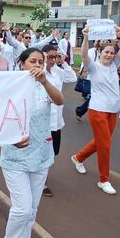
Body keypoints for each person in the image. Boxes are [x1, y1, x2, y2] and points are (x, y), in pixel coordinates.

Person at [0, 47, 65, 238]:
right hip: (15, 156)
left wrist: (44, 81)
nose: (37, 65)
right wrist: (11, 139)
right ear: (21, 63)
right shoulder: (9, 86)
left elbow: (60, 101)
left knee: (32, 210)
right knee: (21, 209)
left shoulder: (46, 84)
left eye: (40, 62)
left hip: (41, 154)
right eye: (32, 61)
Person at [71, 25, 120, 195]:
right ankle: (104, 180)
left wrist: (119, 36)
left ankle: (78, 157)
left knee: (101, 141)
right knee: (105, 145)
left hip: (113, 109)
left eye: (111, 52)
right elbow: (84, 55)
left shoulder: (114, 64)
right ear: (100, 52)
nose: (109, 55)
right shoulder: (93, 66)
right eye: (106, 52)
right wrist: (86, 38)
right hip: (97, 109)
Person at [40, 45, 76, 197]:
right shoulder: (38, 72)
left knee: (54, 151)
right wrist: (42, 64)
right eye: (50, 56)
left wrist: (64, 62)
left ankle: (41, 175)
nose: (53, 60)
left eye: (56, 57)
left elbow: (72, 78)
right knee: (42, 152)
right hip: (42, 120)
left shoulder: (58, 72)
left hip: (56, 121)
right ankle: (41, 181)